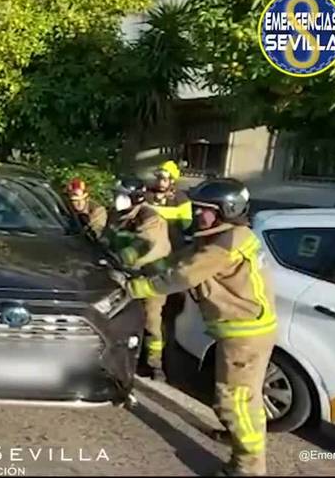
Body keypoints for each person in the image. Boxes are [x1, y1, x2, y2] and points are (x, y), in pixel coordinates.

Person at [119, 178, 276, 476]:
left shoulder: (223, 245)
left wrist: (134, 287)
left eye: (204, 210)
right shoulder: (222, 235)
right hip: (245, 330)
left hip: (244, 333)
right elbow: (179, 261)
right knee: (244, 397)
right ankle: (240, 440)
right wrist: (146, 265)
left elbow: (184, 276)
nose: (196, 215)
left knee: (236, 400)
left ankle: (248, 467)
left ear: (226, 211)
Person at [102, 176, 172, 381]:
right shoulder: (116, 216)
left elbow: (145, 244)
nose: (117, 200)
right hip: (124, 275)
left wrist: (120, 258)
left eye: (122, 196)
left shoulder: (151, 218)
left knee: (151, 319)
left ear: (136, 198)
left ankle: (154, 363)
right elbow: (106, 238)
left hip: (152, 277)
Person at [146, 160, 193, 248]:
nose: (160, 183)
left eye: (164, 180)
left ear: (171, 181)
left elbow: (186, 222)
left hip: (172, 239)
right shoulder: (150, 193)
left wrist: (156, 210)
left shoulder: (181, 198)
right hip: (150, 235)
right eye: (158, 179)